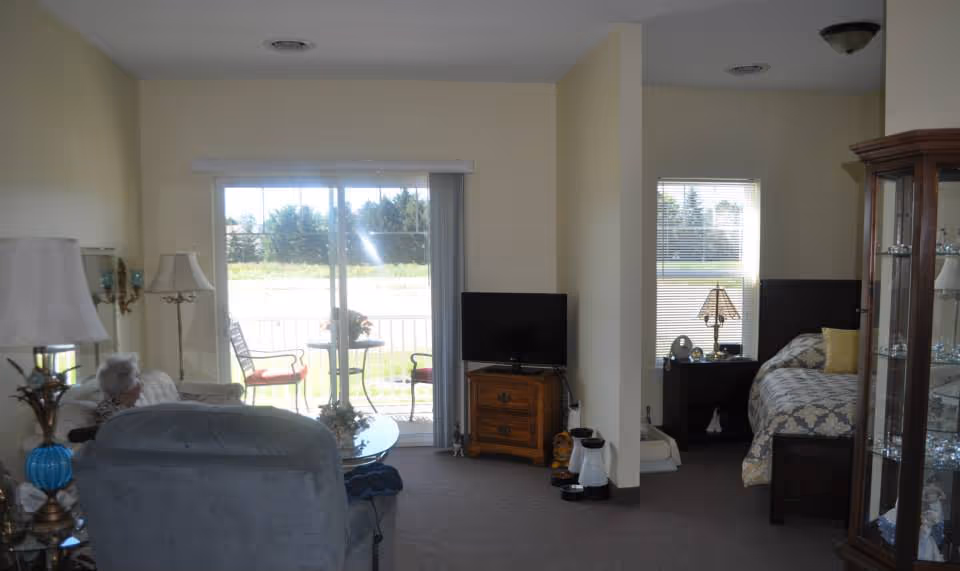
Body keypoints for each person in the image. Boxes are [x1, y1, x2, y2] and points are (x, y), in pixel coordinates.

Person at [93, 354, 143, 425]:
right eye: (137, 377)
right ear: (126, 387)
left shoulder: (132, 407)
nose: (141, 384)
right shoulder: (108, 410)